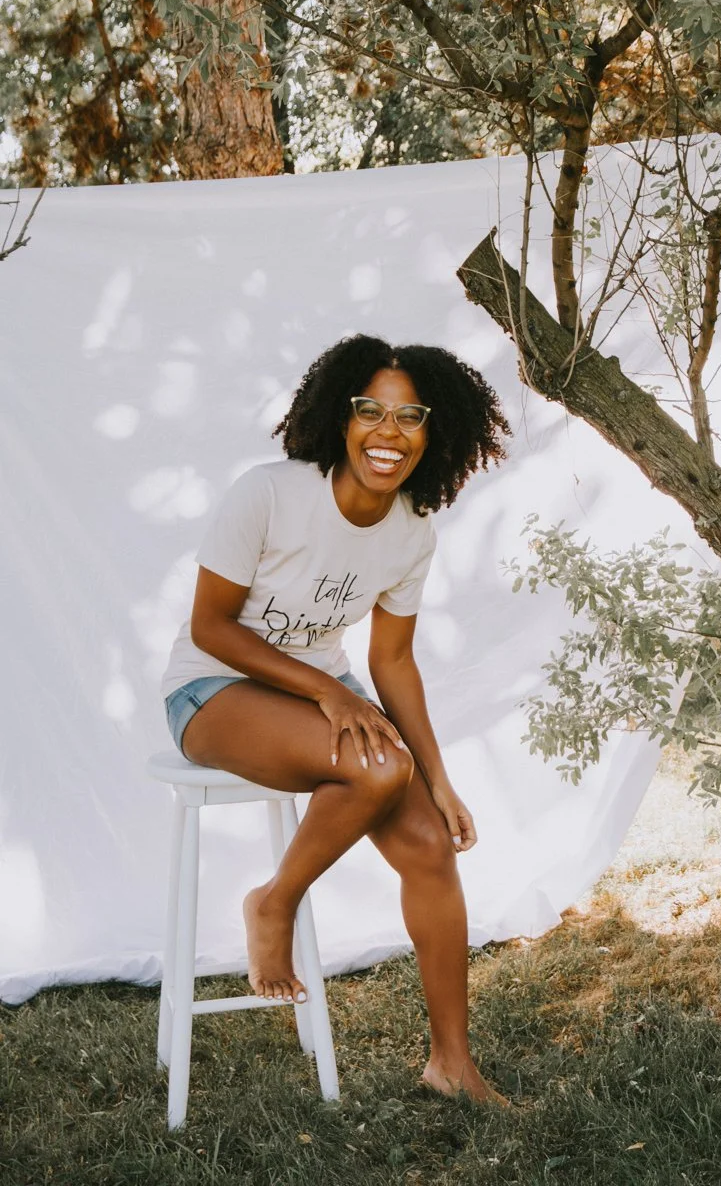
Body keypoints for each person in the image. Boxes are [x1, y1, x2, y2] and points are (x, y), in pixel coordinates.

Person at [161, 333, 511, 1102]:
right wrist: (329, 694)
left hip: (323, 695)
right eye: (370, 412)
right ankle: (274, 901)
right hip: (210, 691)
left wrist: (442, 781)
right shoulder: (270, 493)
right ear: (340, 418)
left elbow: (391, 664)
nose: (389, 433)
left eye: (410, 417)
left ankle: (452, 1064)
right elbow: (212, 627)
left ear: (434, 433)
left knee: (426, 841)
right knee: (380, 766)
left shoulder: (412, 531)